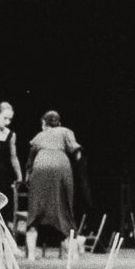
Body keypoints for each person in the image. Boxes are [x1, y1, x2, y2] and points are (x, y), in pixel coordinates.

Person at [24, 111, 81, 259]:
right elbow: (77, 153)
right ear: (59, 123)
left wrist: (27, 177)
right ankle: (73, 255)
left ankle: (31, 255)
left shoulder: (39, 135)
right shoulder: (66, 131)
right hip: (61, 166)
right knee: (65, 208)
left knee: (35, 210)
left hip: (41, 166)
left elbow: (30, 161)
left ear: (44, 123)